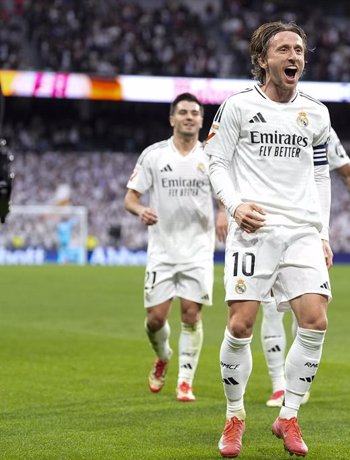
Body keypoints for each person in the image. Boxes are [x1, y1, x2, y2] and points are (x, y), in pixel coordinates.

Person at [205, 21, 332, 458]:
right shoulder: (237, 106)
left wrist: (323, 232)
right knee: (240, 325)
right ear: (263, 60)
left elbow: (320, 173)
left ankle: (289, 415)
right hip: (253, 228)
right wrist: (236, 205)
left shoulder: (316, 112)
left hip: (301, 230)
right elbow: (215, 162)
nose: (294, 56)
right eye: (283, 49)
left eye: (298, 49)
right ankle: (235, 415)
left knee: (315, 321)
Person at [261, 127, 350, 408]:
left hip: (305, 229)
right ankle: (278, 385)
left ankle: (294, 385)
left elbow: (347, 170)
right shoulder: (261, 118)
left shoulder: (316, 123)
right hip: (266, 226)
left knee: (306, 309)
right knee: (269, 308)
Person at [124, 92, 221, 402]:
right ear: (172, 119)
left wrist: (222, 213)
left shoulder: (211, 156)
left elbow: (225, 193)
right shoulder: (153, 155)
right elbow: (131, 197)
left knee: (191, 315)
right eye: (183, 112)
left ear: (202, 121)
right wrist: (141, 211)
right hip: (163, 250)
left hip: (198, 249)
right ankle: (163, 355)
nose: (189, 116)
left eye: (195, 112)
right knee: (155, 319)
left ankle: (185, 382)